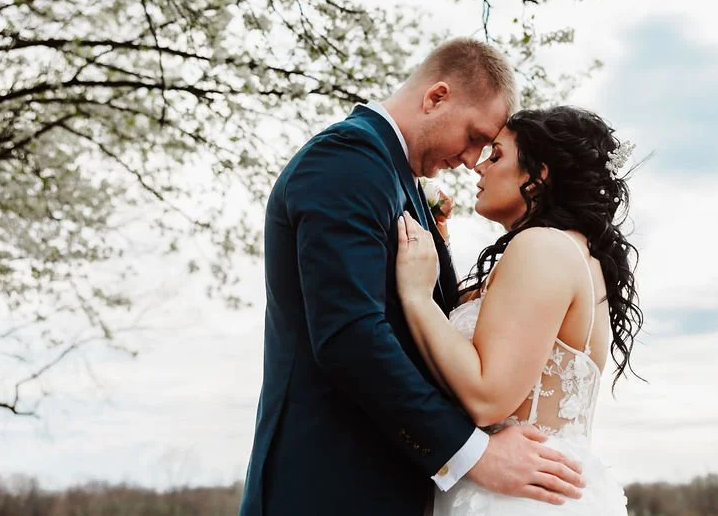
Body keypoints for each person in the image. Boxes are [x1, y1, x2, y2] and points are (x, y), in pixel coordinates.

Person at [238, 39, 585, 516]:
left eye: (487, 149)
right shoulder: (347, 160)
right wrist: (474, 455)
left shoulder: (395, 180)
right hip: (327, 486)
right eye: (474, 137)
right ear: (436, 97)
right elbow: (348, 334)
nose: (470, 160)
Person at [395, 105, 642, 515]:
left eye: (496, 155)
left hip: (515, 496)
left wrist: (417, 298)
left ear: (538, 174)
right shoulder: (571, 251)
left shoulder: (543, 246)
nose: (478, 167)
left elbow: (487, 398)